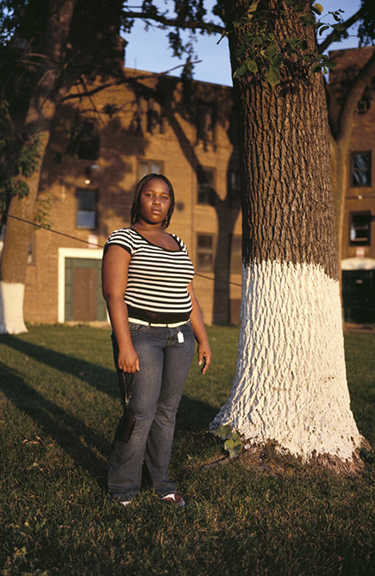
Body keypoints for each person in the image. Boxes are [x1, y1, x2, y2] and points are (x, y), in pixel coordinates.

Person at [102, 173, 211, 507]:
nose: (157, 201)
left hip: (180, 337)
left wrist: (203, 339)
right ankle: (123, 488)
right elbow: (113, 295)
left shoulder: (178, 241)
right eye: (150, 194)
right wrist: (125, 345)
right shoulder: (123, 238)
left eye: (164, 197)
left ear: (170, 204)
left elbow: (187, 292)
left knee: (167, 413)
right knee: (140, 411)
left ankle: (161, 482)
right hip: (141, 335)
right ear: (138, 199)